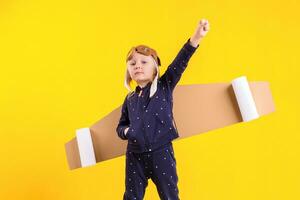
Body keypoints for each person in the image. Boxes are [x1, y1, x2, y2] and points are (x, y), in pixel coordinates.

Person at [116, 19, 210, 200]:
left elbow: (180, 62)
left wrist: (196, 37)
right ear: (128, 71)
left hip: (162, 153)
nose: (137, 66)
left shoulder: (165, 86)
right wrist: (127, 131)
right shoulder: (129, 99)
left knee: (170, 196)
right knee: (131, 196)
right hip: (135, 155)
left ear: (155, 69)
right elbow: (120, 127)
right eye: (132, 63)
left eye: (144, 62)